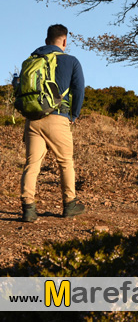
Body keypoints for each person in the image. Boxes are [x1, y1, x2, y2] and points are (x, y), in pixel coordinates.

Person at [20, 24, 86, 222]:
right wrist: (74, 115)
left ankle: (29, 209)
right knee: (65, 162)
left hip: (32, 118)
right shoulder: (71, 61)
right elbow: (79, 90)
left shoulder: (32, 60)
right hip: (58, 118)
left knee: (32, 164)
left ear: (47, 40)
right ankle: (69, 205)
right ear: (64, 41)